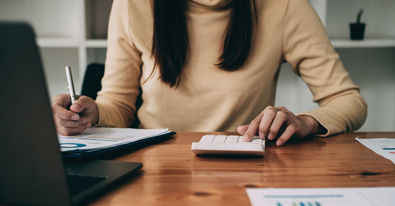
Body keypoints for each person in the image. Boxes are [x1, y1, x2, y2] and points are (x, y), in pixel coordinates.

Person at [52, 0, 367, 146]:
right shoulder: (133, 5)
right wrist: (91, 112)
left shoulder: (284, 7)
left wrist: (308, 122)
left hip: (243, 168)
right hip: (152, 167)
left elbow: (348, 100)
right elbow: (119, 106)